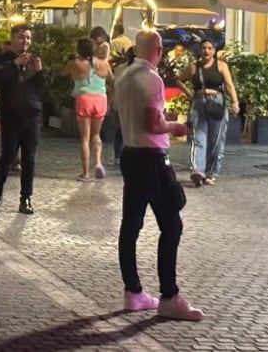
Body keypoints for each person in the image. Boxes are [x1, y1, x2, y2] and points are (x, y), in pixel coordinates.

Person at [114, 30, 204, 320]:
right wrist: (175, 128)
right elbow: (153, 123)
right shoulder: (151, 79)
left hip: (130, 153)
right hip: (152, 158)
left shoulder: (123, 75)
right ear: (158, 50)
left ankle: (134, 291)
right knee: (172, 225)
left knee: (131, 226)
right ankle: (170, 295)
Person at [0, 23, 45, 214]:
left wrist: (40, 72)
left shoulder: (35, 59)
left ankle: (26, 198)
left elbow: (44, 87)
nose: (25, 41)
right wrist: (14, 64)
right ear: (12, 39)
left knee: (29, 158)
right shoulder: (3, 59)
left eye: (28, 38)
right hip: (11, 114)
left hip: (32, 114)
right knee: (8, 154)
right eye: (21, 38)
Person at [182, 40, 239, 187]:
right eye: (203, 48)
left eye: (209, 48)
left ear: (214, 50)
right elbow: (179, 79)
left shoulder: (221, 66)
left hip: (217, 103)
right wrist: (188, 92)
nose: (206, 51)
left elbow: (229, 85)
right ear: (199, 50)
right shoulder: (194, 67)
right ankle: (197, 171)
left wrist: (235, 102)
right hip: (199, 104)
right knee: (198, 138)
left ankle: (211, 173)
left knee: (216, 140)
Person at [64, 37, 112, 182]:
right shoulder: (104, 64)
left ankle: (85, 173)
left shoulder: (75, 64)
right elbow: (112, 78)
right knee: (96, 135)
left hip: (84, 99)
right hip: (101, 99)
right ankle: (98, 162)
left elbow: (62, 72)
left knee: (85, 138)